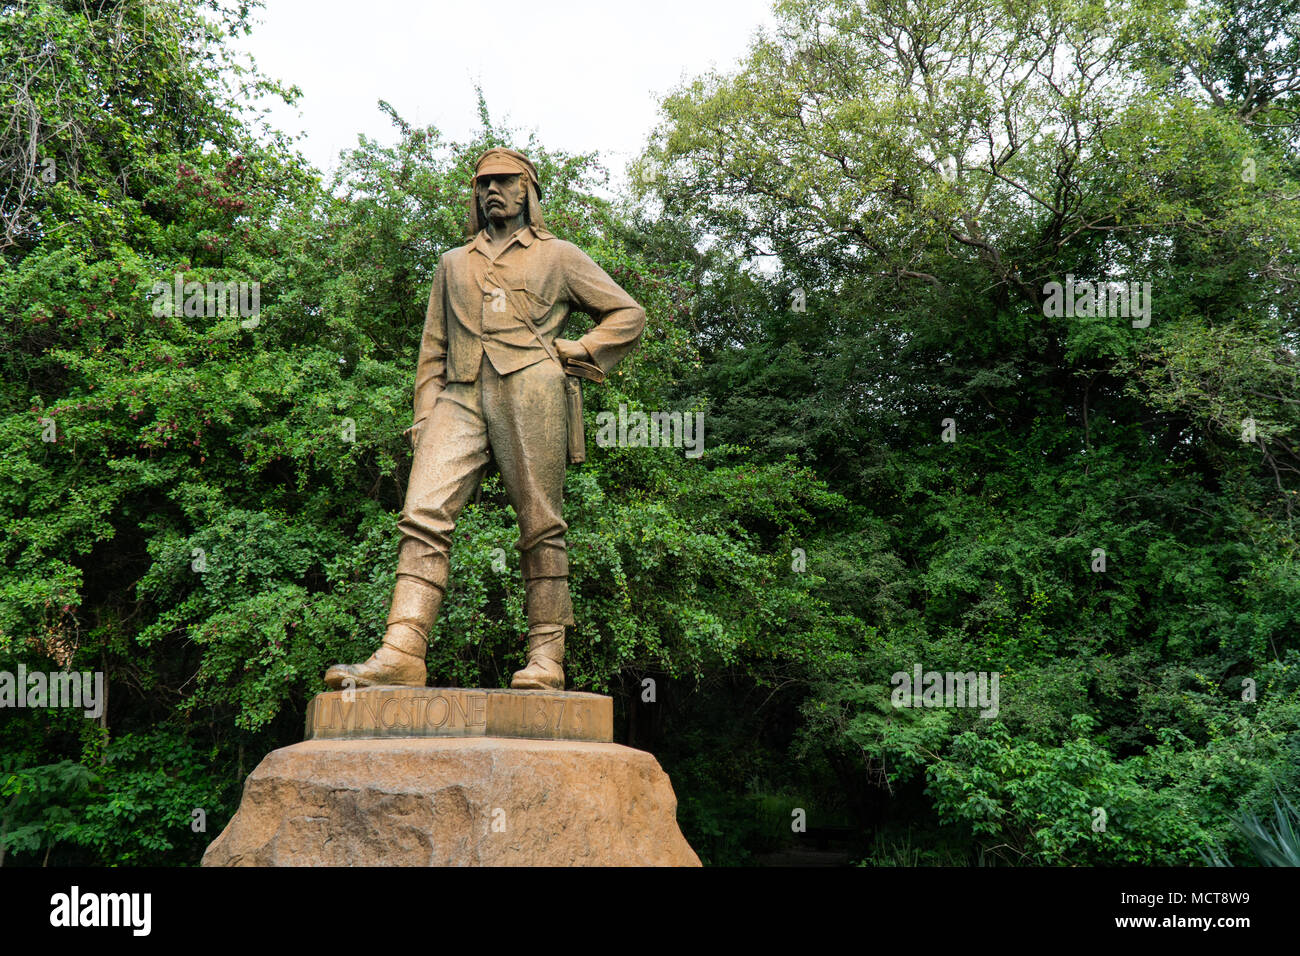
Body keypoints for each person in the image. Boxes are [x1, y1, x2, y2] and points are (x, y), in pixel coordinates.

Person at [324, 147, 645, 691]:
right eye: (484, 183)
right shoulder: (453, 263)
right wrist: (425, 413)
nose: (493, 189)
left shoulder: (559, 256)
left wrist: (578, 351)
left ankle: (547, 658)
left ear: (528, 191)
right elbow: (433, 346)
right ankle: (402, 650)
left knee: (541, 521)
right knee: (422, 512)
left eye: (505, 181)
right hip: (461, 393)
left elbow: (628, 313)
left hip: (532, 388)